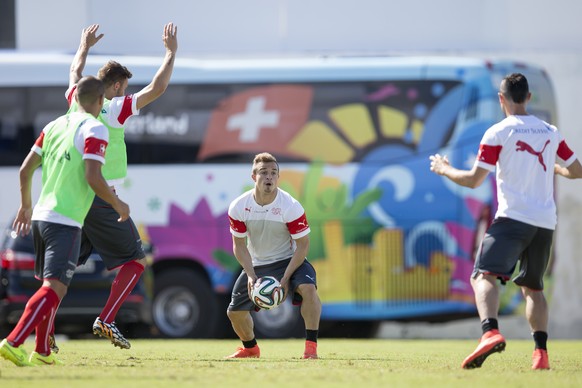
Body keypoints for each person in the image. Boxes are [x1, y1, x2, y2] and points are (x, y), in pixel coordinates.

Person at [429, 73, 582, 370]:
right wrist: (553, 168)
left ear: (502, 99)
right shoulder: (550, 132)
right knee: (534, 289)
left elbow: (474, 180)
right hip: (545, 223)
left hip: (513, 219)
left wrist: (445, 169)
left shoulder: (499, 132)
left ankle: (489, 332)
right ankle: (540, 355)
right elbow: (577, 171)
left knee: (482, 276)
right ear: (528, 97)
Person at [47, 22, 178, 352]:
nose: (124, 93)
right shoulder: (114, 107)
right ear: (117, 86)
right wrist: (170, 52)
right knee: (135, 262)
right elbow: (157, 89)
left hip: (75, 197)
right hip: (101, 197)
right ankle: (106, 319)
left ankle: (43, 330)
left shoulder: (75, 98)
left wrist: (83, 45)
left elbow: (75, 69)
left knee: (61, 272)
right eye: (123, 87)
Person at [0, 76, 129, 367]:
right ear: (99, 101)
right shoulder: (95, 127)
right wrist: (117, 202)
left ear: (75, 98)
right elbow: (94, 177)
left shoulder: (53, 125)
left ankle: (43, 351)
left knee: (49, 286)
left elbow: (25, 170)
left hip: (41, 218)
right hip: (66, 221)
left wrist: (25, 206)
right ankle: (14, 341)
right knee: (54, 288)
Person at [226, 152, 322, 359]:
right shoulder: (238, 207)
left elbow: (303, 246)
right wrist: (251, 276)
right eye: (264, 172)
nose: (269, 177)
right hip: (258, 264)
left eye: (273, 173)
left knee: (308, 289)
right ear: (254, 177)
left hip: (289, 260)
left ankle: (310, 349)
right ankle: (250, 349)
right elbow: (239, 246)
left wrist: (286, 278)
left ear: (278, 177)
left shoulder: (291, 206)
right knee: (234, 313)